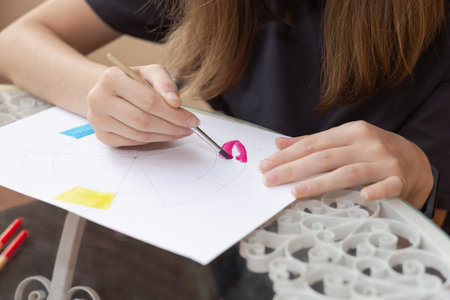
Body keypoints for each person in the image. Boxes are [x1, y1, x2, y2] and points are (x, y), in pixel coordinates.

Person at [0, 0, 448, 219]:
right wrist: (100, 93)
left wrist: (421, 174)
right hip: (232, 226)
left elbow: (428, 206)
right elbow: (16, 43)